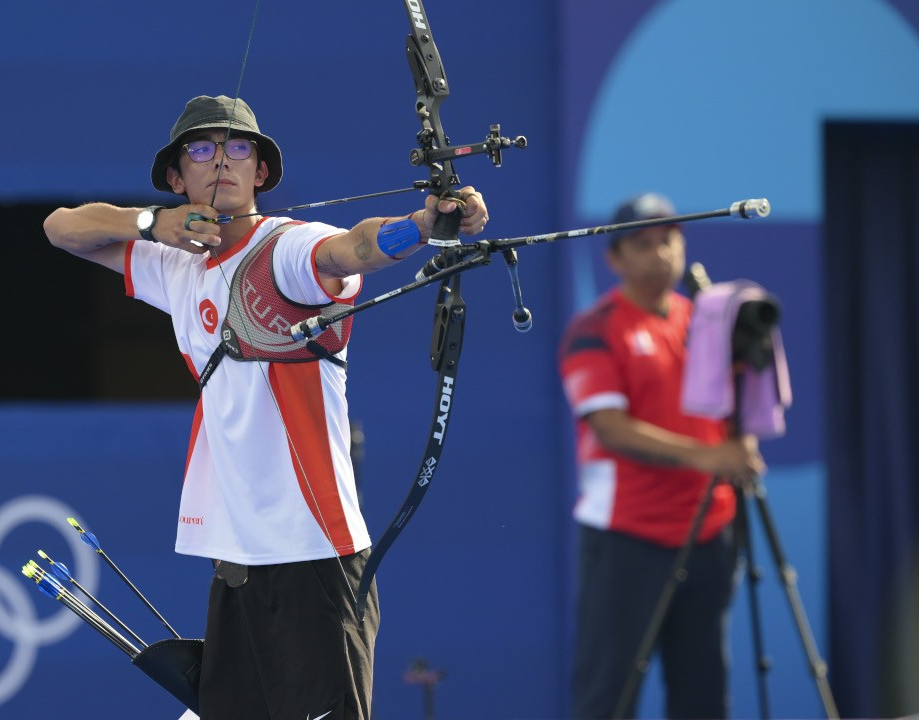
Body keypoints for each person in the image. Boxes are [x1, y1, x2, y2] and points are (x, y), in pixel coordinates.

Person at [43, 95, 487, 720]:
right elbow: (60, 228)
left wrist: (421, 225)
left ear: (261, 173)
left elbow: (350, 251)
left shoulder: (284, 250)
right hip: (239, 562)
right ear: (177, 178)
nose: (221, 160)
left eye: (239, 148)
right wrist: (151, 224)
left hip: (313, 559)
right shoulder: (174, 264)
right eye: (202, 149)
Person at [557, 193, 766, 719]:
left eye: (669, 240)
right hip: (627, 537)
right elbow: (610, 428)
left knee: (703, 697)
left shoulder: (709, 322)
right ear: (615, 259)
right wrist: (709, 457)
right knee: (608, 698)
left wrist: (741, 446)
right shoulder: (594, 329)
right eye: (642, 244)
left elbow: (734, 415)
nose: (660, 254)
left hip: (707, 535)